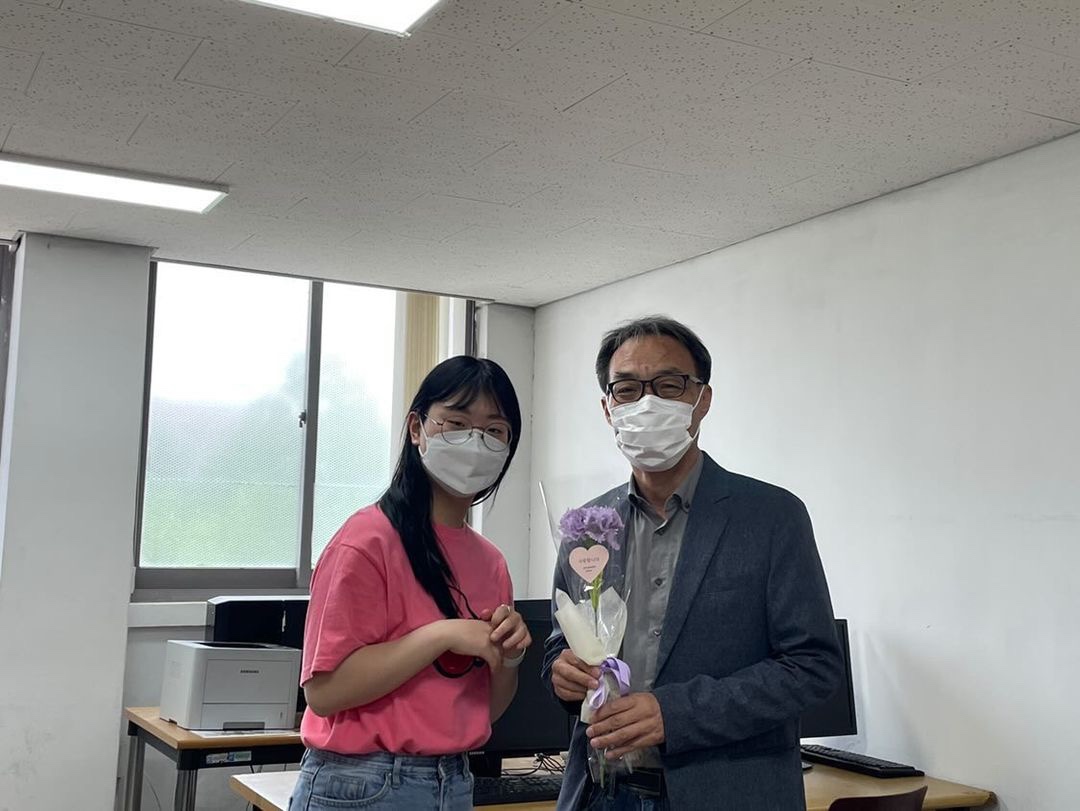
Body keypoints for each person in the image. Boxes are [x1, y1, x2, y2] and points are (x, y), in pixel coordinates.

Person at [542, 316, 842, 811]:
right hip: (601, 792)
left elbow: (813, 665)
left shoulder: (771, 517)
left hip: (725, 794)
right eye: (627, 389)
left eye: (668, 385)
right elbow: (562, 642)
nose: (646, 403)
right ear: (607, 407)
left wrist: (676, 714)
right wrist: (561, 673)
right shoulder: (588, 527)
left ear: (702, 399)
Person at [289, 356, 532, 811]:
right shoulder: (366, 541)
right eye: (456, 423)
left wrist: (509, 658)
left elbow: (486, 708)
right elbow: (323, 693)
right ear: (417, 428)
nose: (475, 442)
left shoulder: (492, 563)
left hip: (454, 779)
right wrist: (442, 635)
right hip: (363, 782)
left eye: (494, 431)